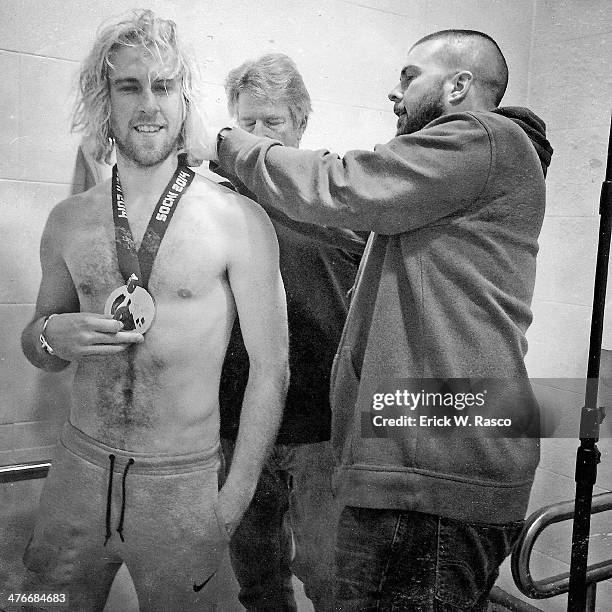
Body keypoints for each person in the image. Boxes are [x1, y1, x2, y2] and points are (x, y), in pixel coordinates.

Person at [206, 29, 553, 610]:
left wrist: (223, 141)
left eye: (410, 76)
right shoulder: (434, 188)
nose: (395, 92)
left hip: (433, 479)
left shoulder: (484, 138)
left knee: (326, 580)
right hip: (403, 466)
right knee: (272, 583)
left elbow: (340, 183)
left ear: (459, 85)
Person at [20, 10, 288, 611]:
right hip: (77, 471)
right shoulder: (68, 221)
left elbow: (273, 370)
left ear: (184, 99)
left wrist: (232, 501)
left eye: (163, 86)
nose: (148, 104)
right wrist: (49, 338)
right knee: (41, 605)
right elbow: (36, 344)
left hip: (183, 483)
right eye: (129, 86)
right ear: (104, 101)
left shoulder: (237, 221)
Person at [214, 54, 366, 611]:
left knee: (329, 579)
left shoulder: (339, 196)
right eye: (245, 123)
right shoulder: (217, 202)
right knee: (257, 578)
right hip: (235, 420)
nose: (254, 137)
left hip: (321, 427)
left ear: (300, 121)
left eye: (270, 123)